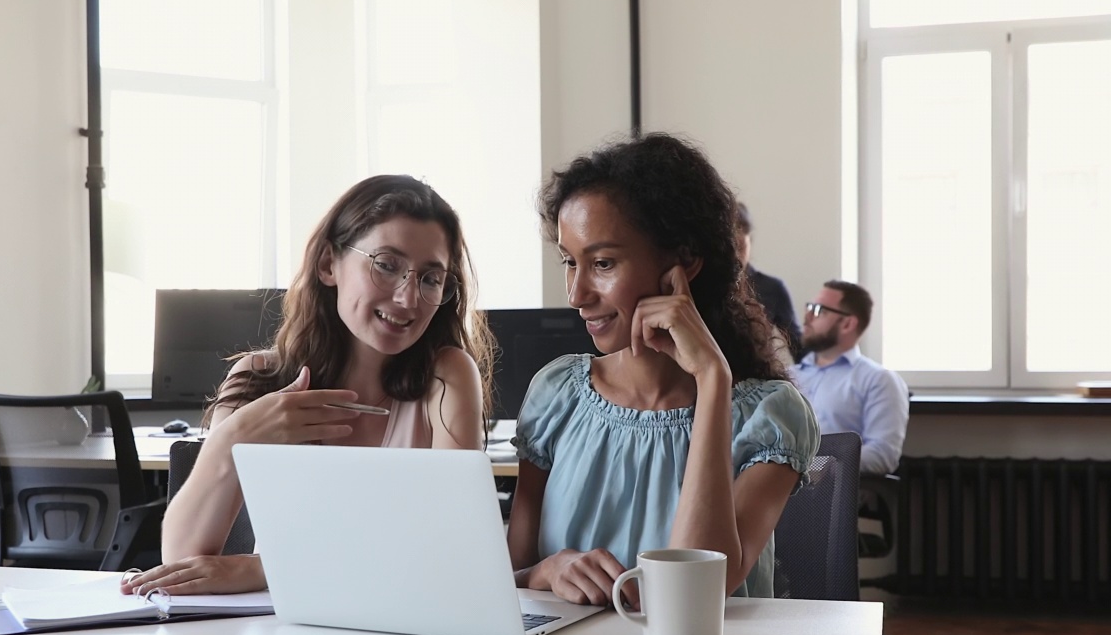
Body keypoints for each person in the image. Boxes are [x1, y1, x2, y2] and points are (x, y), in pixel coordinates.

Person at [122, 174, 493, 596]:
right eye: (387, 265)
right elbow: (184, 562)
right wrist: (236, 436)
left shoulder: (446, 377)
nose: (409, 298)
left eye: (430, 278)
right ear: (328, 264)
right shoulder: (255, 378)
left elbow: (451, 550)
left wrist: (262, 570)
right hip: (279, 634)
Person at [507, 134, 821, 604]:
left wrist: (713, 381)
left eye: (604, 263)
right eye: (571, 263)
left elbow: (699, 593)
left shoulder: (770, 417)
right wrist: (547, 572)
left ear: (684, 262)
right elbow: (509, 578)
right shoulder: (557, 395)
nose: (576, 294)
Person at [795, 281, 908, 477]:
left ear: (847, 324)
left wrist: (813, 466)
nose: (807, 317)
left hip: (830, 494)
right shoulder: (786, 376)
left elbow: (883, 455)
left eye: (819, 310)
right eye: (809, 307)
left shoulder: (878, 380)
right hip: (772, 490)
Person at [734, 202, 802, 361]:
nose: (735, 256)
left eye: (740, 247)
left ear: (750, 241)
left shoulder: (772, 288)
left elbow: (798, 347)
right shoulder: (707, 285)